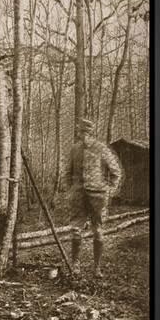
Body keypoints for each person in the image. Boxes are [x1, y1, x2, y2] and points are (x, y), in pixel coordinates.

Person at [66, 118, 122, 278]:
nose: (83, 136)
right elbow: (67, 172)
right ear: (78, 133)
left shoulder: (101, 149)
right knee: (76, 229)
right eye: (81, 132)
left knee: (98, 230)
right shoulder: (74, 149)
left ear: (91, 133)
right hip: (78, 197)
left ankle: (97, 268)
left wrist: (110, 190)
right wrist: (71, 190)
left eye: (86, 132)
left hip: (98, 196)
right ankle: (75, 265)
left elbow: (116, 171)